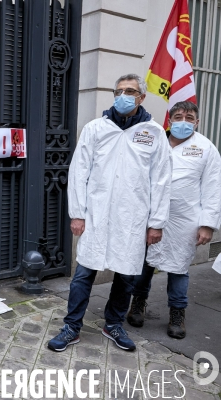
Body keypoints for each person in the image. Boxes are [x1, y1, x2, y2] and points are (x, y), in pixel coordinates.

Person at [47, 73, 172, 352]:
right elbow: (79, 172)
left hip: (133, 218)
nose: (123, 95)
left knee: (126, 275)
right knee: (83, 274)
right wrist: (77, 213)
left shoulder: (153, 133)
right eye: (118, 91)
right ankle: (72, 326)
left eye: (130, 91)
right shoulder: (95, 129)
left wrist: (156, 223)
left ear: (142, 97)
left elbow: (162, 180)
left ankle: (113, 323)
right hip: (96, 215)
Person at [126, 101, 221, 339]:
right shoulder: (155, 141)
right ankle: (138, 304)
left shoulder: (206, 148)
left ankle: (177, 314)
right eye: (178, 117)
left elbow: (213, 188)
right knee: (144, 264)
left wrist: (207, 224)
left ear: (197, 122)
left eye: (189, 118)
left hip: (185, 220)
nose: (184, 122)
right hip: (149, 215)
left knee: (178, 269)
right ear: (169, 120)